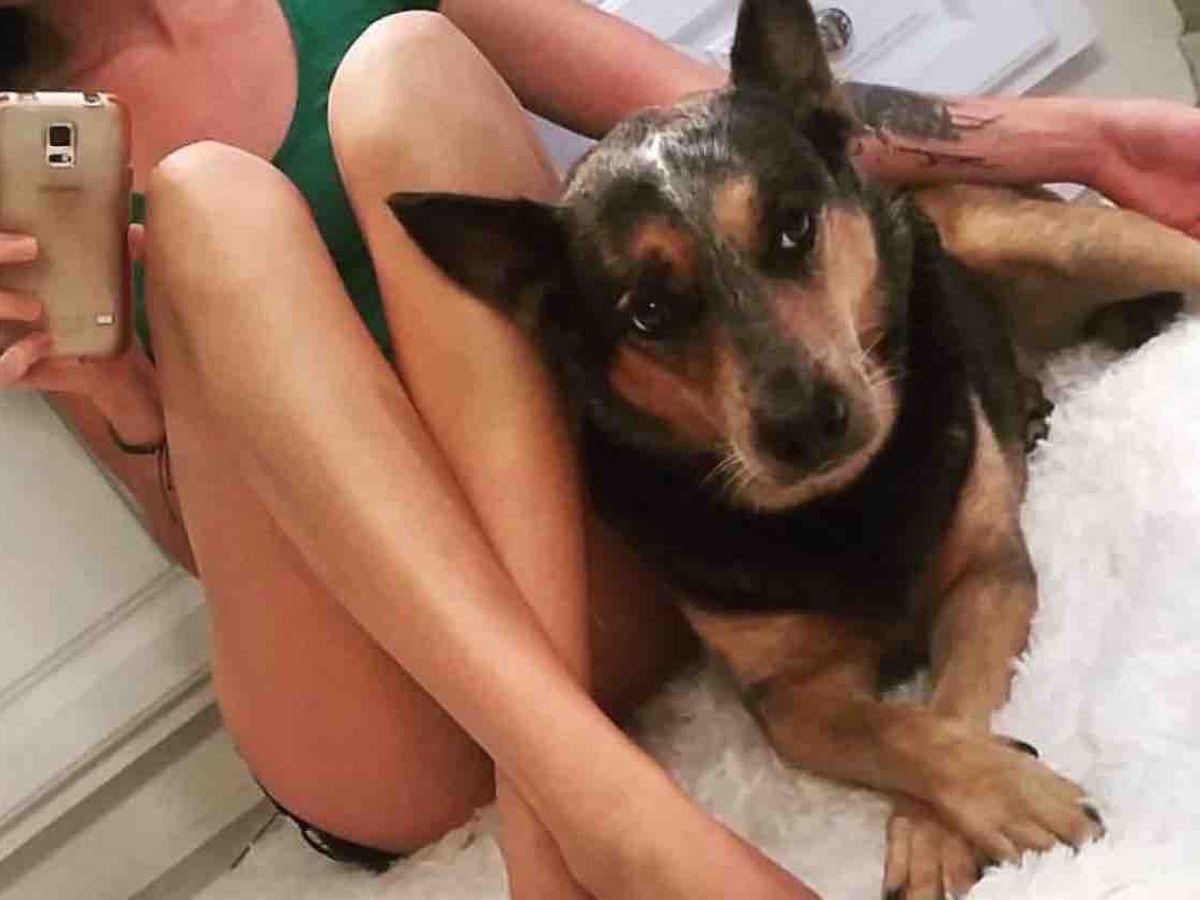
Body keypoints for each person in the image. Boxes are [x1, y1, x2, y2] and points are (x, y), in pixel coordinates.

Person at [1, 2, 1199, 896]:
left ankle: (561, 817)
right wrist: (119, 387)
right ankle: (606, 821)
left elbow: (740, 121)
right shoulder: (12, 149)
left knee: (403, 62)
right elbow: (194, 542)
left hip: (571, 586)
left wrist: (1090, 140)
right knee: (207, 201)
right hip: (368, 690)